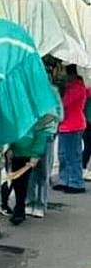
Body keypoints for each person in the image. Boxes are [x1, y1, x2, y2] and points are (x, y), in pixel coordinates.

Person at [54, 65, 87, 193]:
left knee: (72, 155)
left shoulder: (77, 88)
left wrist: (60, 92)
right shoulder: (71, 87)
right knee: (63, 155)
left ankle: (76, 182)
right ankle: (65, 179)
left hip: (73, 125)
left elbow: (63, 104)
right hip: (65, 125)